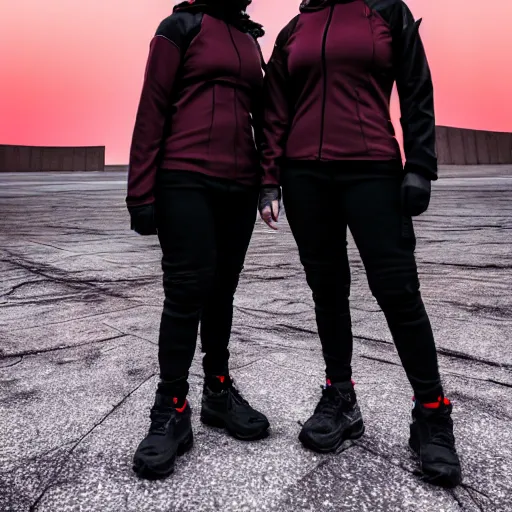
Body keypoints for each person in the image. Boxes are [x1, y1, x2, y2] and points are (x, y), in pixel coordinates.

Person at [259, 0, 462, 488]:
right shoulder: (295, 28)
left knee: (398, 291)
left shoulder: (387, 12)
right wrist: (269, 179)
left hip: (372, 168)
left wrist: (420, 165)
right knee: (327, 290)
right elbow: (273, 110)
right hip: (305, 176)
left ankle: (432, 414)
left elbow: (416, 88)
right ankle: (340, 397)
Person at [126, 0, 269, 480]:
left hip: (240, 184)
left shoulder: (251, 39)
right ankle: (171, 407)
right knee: (186, 293)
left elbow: (265, 118)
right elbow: (152, 107)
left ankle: (218, 391)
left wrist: (268, 181)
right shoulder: (179, 27)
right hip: (183, 179)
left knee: (222, 290)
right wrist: (139, 192)